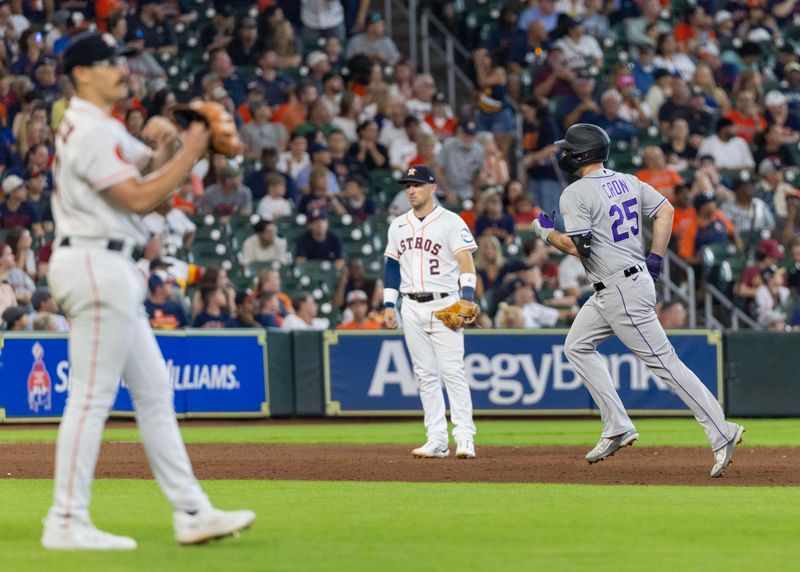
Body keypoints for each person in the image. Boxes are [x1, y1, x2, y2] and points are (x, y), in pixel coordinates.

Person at [41, 32, 254, 551]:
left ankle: (192, 511)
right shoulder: (90, 130)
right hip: (95, 259)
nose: (120, 69)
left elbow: (156, 190)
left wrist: (170, 146)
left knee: (156, 392)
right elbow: (140, 199)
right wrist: (194, 148)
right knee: (90, 399)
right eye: (108, 62)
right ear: (81, 74)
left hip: (110, 262)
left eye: (121, 61)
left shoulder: (100, 127)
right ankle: (65, 519)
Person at [531, 123, 744, 477]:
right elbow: (666, 211)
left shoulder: (575, 192)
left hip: (620, 289)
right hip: (619, 285)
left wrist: (544, 231)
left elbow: (577, 248)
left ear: (579, 154)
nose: (563, 154)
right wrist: (656, 257)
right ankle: (616, 424)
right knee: (577, 346)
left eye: (568, 149)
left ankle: (722, 430)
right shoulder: (627, 180)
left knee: (667, 365)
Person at [382, 164, 478, 460]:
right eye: (407, 185)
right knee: (425, 375)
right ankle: (436, 439)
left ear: (432, 187)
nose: (411, 189)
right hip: (410, 304)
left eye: (417, 184)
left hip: (445, 302)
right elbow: (391, 266)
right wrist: (389, 304)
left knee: (452, 373)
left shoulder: (451, 222)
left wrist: (466, 299)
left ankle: (464, 438)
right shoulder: (398, 224)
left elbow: (465, 261)